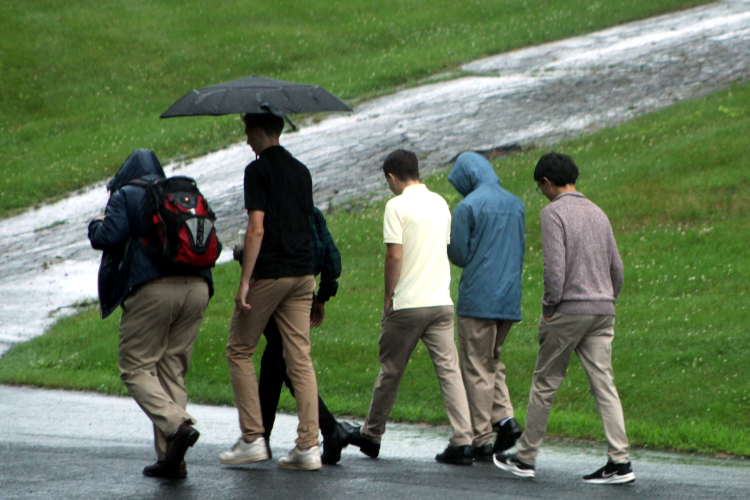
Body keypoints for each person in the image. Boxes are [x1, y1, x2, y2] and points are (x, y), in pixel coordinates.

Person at [494, 152, 635, 484]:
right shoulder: (598, 212)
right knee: (605, 385)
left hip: (568, 309)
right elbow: (618, 269)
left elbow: (554, 271)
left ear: (546, 182)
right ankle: (620, 460)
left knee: (545, 384)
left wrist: (548, 308)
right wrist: (606, 299)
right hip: (603, 310)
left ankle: (526, 458)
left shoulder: (553, 213)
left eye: (540, 187)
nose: (541, 192)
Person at [337, 149, 474, 465]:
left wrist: (388, 297)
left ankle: (371, 434)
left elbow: (394, 256)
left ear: (391, 176)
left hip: (409, 304)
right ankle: (463, 439)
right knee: (449, 371)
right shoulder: (440, 203)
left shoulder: (396, 206)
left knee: (391, 370)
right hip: (441, 302)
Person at [88, 149, 213, 479]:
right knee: (172, 367)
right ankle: (171, 459)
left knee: (135, 367)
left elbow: (109, 237)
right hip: (198, 287)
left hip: (153, 288)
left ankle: (177, 426)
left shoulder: (126, 194)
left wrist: (94, 226)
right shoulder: (183, 194)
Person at [220, 112, 322, 471]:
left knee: (239, 349)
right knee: (300, 358)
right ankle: (309, 446)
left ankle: (252, 438)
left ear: (261, 130)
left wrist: (245, 279)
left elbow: (257, 228)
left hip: (270, 272)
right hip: (303, 272)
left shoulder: (257, 170)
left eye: (248, 131)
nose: (247, 138)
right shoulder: (301, 170)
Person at [232, 206, 349, 465]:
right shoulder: (313, 214)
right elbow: (332, 259)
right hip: (303, 293)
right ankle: (263, 437)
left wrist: (241, 253)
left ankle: (329, 430)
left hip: (272, 293)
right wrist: (322, 297)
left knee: (282, 362)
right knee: (277, 360)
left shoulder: (270, 216)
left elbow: (263, 256)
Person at [446, 152, 525, 462]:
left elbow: (461, 255)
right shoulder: (516, 203)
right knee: (493, 361)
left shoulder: (468, 206)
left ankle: (480, 438)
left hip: (478, 297)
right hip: (508, 297)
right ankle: (505, 419)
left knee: (477, 367)